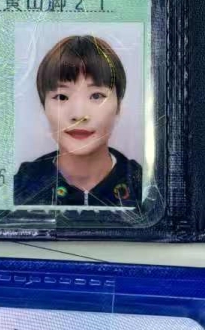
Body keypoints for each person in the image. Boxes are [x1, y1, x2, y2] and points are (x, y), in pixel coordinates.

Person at [13, 34, 142, 207]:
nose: (79, 115)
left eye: (96, 96)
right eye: (62, 96)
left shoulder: (142, 185)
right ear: (44, 106)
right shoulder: (22, 186)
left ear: (118, 106)